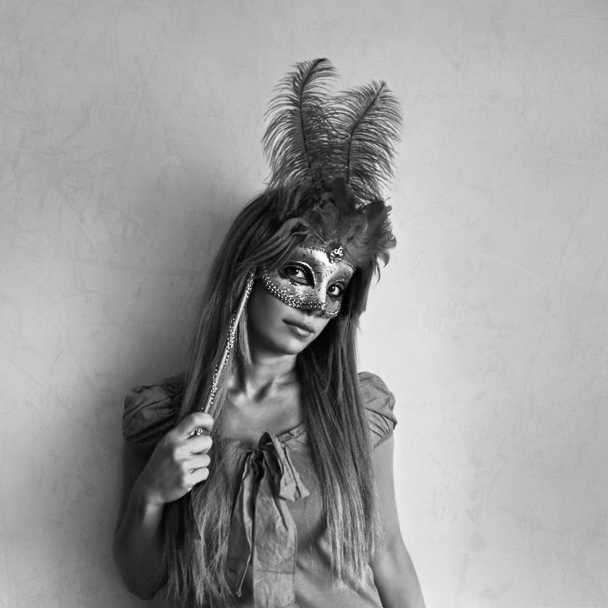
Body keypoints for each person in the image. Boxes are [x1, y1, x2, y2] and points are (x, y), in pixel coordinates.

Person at [113, 58, 425, 608]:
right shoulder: (165, 417)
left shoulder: (359, 410)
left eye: (336, 288)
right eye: (299, 274)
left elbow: (390, 555)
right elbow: (143, 581)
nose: (317, 305)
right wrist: (150, 494)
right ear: (248, 272)